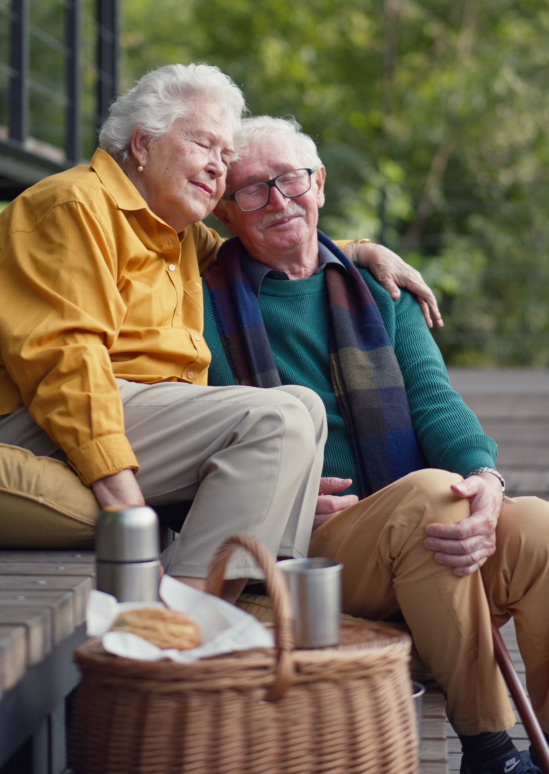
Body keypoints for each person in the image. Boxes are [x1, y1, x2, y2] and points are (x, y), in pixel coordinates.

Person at [0, 64, 435, 593]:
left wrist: (360, 251)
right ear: (142, 144)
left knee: (303, 406)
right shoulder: (71, 207)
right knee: (271, 417)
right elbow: (65, 364)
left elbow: (267, 245)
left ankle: (259, 600)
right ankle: (187, 616)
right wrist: (128, 514)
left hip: (132, 418)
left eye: (225, 158)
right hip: (25, 420)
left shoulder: (179, 235)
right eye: (204, 145)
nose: (217, 169)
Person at [203, 114, 549, 774]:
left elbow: (433, 398)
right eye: (252, 189)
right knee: (428, 498)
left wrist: (485, 479)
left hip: (419, 536)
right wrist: (280, 507)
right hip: (305, 550)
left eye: (291, 180)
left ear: (320, 184)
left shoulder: (375, 287)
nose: (278, 200)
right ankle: (490, 750)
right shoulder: (204, 302)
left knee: (536, 524)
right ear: (226, 212)